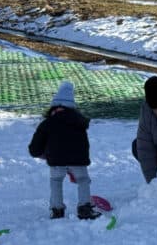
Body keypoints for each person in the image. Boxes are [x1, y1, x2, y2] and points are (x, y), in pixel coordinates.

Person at [28, 81, 102, 220]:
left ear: (54, 106)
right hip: (78, 160)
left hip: (56, 160)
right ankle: (84, 208)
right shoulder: (79, 121)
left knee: (56, 181)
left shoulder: (47, 123)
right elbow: (84, 144)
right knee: (83, 180)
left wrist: (43, 154)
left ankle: (57, 210)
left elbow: (35, 148)